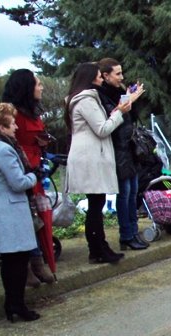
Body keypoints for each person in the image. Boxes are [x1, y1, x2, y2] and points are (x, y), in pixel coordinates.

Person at [65, 62, 131, 264]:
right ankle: (98, 248)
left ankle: (98, 248)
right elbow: (102, 129)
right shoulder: (86, 100)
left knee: (96, 203)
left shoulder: (83, 98)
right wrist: (120, 112)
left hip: (89, 155)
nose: (102, 79)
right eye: (99, 76)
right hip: (90, 157)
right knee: (96, 204)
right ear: (91, 78)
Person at [1, 68, 55, 286]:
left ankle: (37, 260)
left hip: (35, 166)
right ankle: (30, 264)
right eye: (37, 83)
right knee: (28, 217)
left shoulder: (32, 110)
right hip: (21, 167)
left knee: (38, 216)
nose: (41, 87)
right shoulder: (13, 114)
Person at [96, 58, 148, 252]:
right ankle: (126, 235)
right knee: (124, 193)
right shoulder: (101, 95)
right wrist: (129, 100)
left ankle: (133, 231)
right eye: (117, 74)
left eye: (121, 73)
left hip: (130, 147)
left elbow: (129, 117)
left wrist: (130, 99)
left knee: (133, 191)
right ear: (106, 75)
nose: (121, 77)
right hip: (118, 150)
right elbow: (113, 118)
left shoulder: (119, 92)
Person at [0, 103, 41, 321]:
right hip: (11, 209)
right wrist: (34, 176)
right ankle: (17, 305)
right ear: (1, 128)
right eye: (12, 124)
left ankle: (12, 304)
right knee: (18, 260)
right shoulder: (4, 150)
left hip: (3, 209)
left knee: (10, 260)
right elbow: (18, 182)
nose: (16, 127)